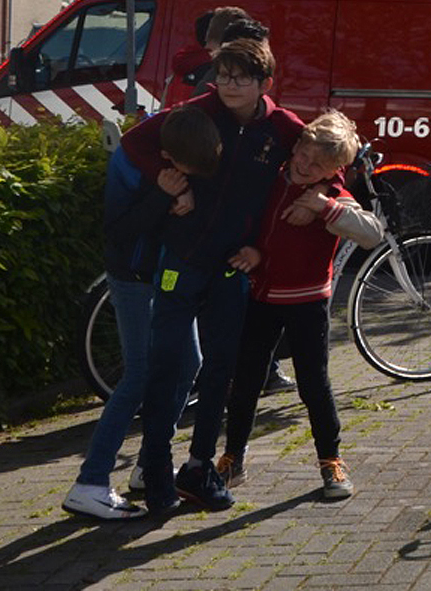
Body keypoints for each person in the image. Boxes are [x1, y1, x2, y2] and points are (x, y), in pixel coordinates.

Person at [127, 37, 305, 514]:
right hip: (181, 260)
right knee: (168, 366)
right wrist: (171, 185)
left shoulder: (284, 128)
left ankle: (200, 466)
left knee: (221, 366)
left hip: (231, 266)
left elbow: (315, 174)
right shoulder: (197, 111)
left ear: (266, 84)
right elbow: (136, 142)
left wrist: (259, 249)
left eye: (240, 77)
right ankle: (154, 470)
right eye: (221, 74)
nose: (227, 85)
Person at [62, 109, 221, 520]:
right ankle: (91, 481)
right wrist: (162, 195)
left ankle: (150, 463)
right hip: (132, 276)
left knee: (190, 362)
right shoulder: (135, 167)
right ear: (168, 155)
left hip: (158, 275)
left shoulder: (177, 144)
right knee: (138, 374)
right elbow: (119, 232)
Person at [219, 110, 382, 500]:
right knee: (245, 382)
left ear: (334, 170)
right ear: (296, 147)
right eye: (303, 156)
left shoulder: (331, 197)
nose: (305, 166)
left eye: (318, 165)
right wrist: (255, 255)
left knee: (314, 385)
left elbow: (372, 234)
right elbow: (259, 229)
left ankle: (331, 461)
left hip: (308, 304)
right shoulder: (273, 180)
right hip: (262, 297)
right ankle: (232, 459)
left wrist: (325, 207)